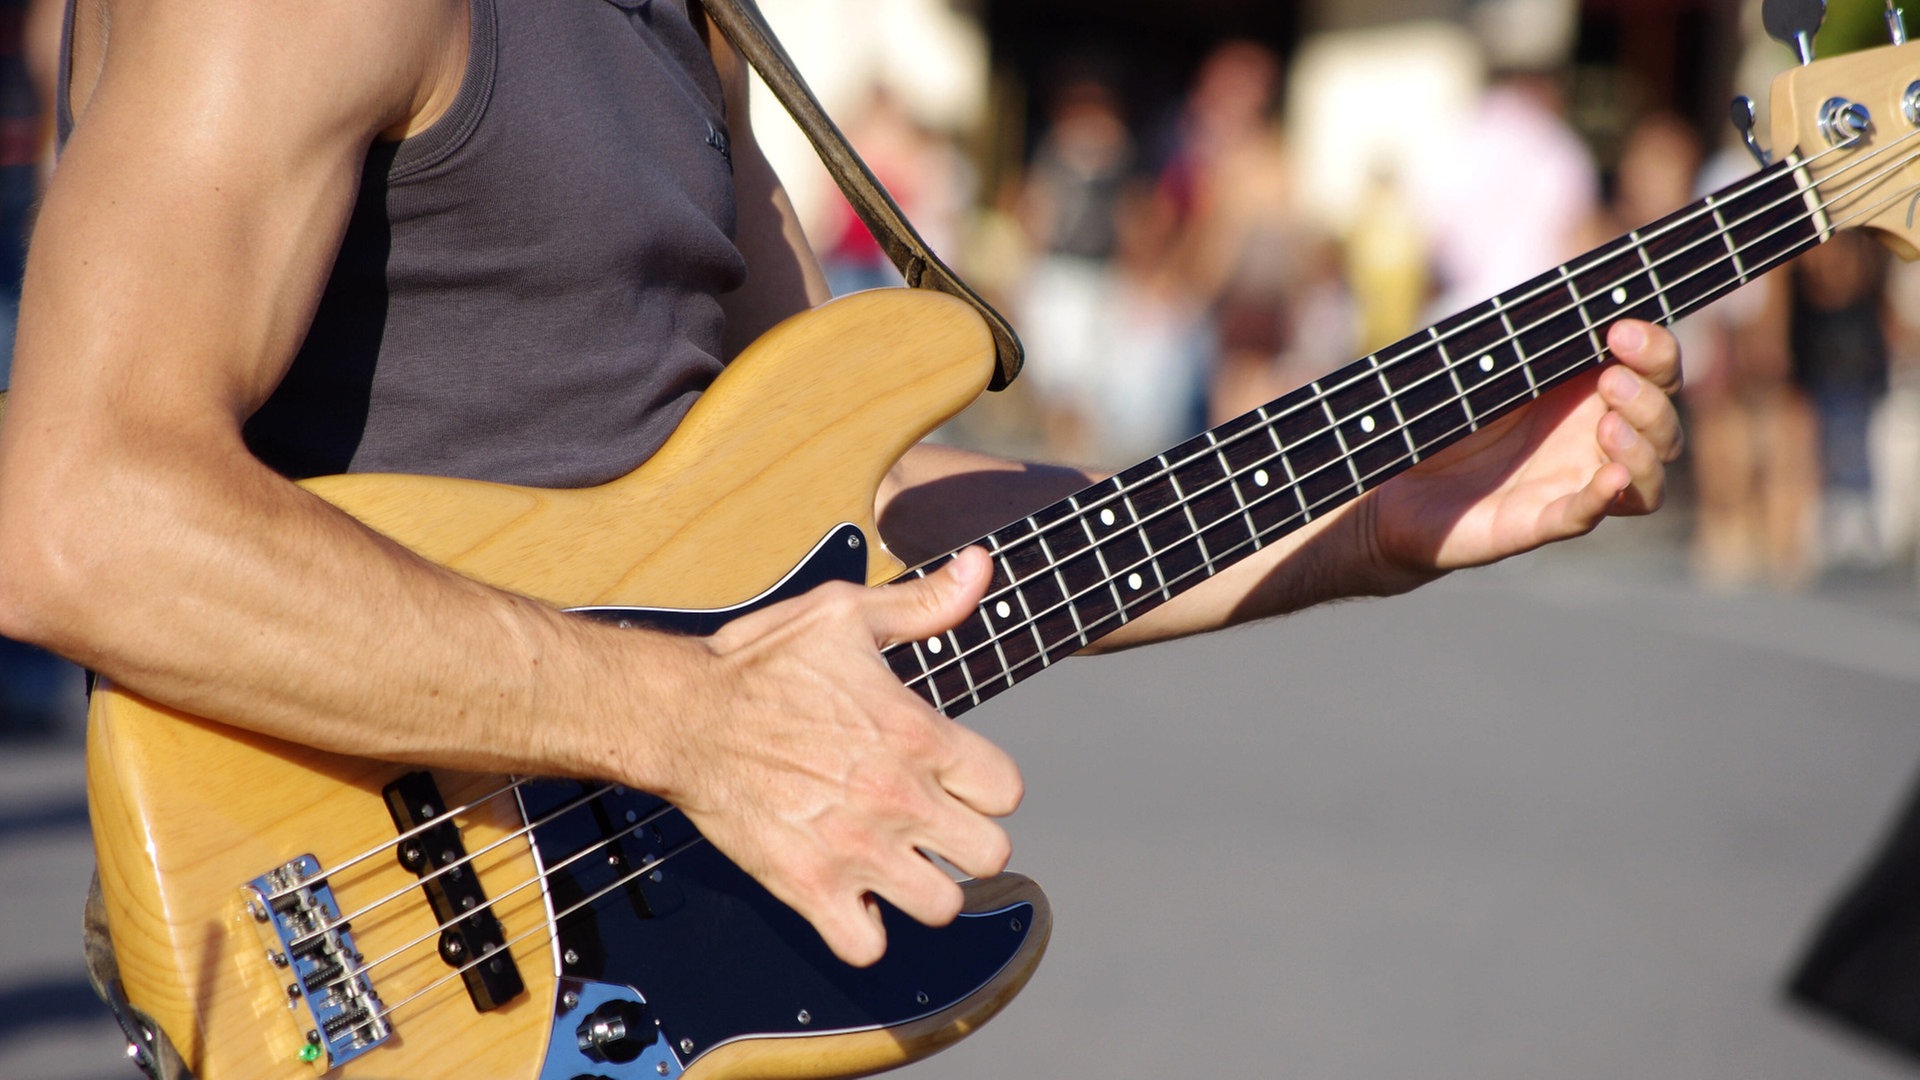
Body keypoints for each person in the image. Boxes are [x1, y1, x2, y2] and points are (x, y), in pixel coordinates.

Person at [0, 0, 1682, 1041]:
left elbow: (848, 520)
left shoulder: (686, 21)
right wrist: (678, 717)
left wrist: (1366, 513)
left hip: (664, 960)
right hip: (397, 954)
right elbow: (74, 510)